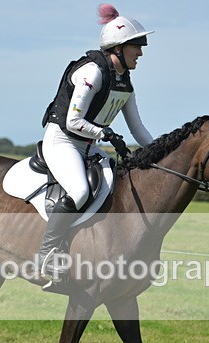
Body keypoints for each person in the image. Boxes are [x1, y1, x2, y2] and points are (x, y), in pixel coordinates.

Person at [37, 4, 155, 284]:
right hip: (63, 140)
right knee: (79, 191)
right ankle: (46, 253)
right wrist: (105, 133)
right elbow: (72, 122)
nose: (141, 52)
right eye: (136, 46)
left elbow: (137, 128)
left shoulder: (124, 82)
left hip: (89, 146)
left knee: (118, 187)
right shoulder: (93, 73)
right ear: (118, 48)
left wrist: (159, 151)